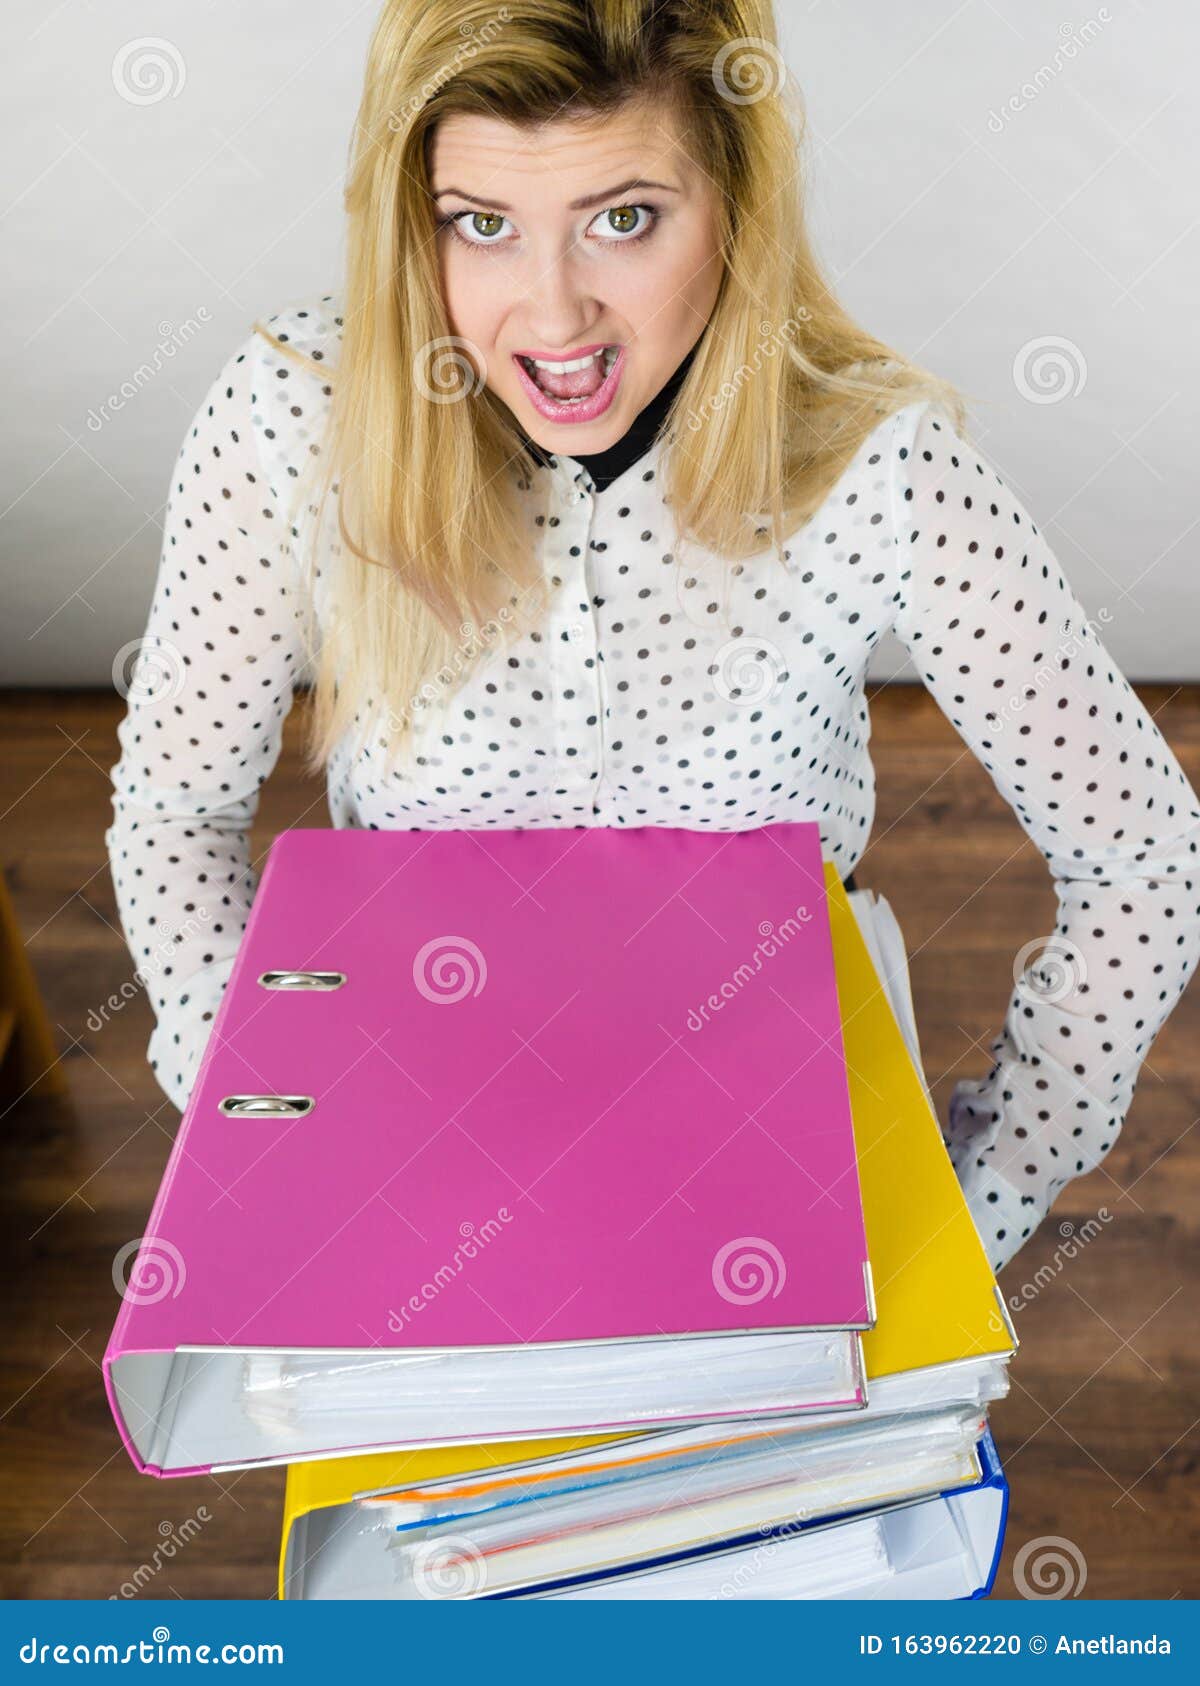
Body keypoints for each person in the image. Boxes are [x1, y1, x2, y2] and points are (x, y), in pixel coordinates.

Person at [105, 0, 1200, 1276]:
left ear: (734, 201)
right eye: (484, 225)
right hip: (417, 1085)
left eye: (624, 219)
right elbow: (177, 812)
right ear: (419, 218)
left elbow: (1143, 857)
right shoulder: (290, 416)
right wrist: (257, 1107)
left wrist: (997, 1180)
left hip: (762, 1081)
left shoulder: (877, 461)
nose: (554, 316)